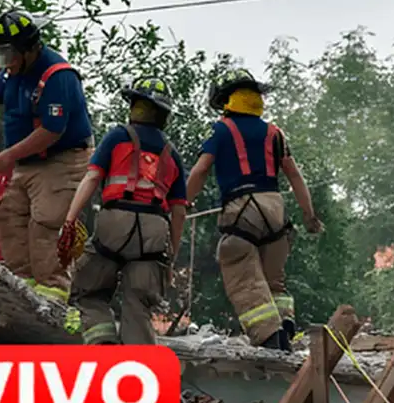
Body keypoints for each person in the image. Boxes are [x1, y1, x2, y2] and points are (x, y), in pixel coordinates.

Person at [0, 9, 93, 302]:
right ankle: (21, 289)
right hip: (26, 161)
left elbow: (52, 130)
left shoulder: (58, 76)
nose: (4, 62)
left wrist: (10, 154)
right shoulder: (14, 71)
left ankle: (53, 293)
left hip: (60, 160)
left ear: (29, 48)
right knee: (11, 220)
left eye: (7, 53)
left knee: (45, 223)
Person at [186, 68, 322, 351]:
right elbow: (295, 176)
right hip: (275, 209)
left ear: (227, 100)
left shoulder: (221, 130)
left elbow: (200, 171)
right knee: (274, 280)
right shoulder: (275, 133)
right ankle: (284, 324)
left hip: (241, 209)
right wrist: (309, 216)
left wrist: (181, 203)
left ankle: (269, 336)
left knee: (242, 273)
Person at [57, 76, 188, 345]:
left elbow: (92, 178)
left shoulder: (117, 137)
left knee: (89, 292)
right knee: (138, 304)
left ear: (134, 107)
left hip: (114, 224)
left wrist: (69, 220)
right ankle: (137, 370)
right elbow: (179, 212)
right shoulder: (172, 153)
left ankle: (103, 348)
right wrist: (171, 257)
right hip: (154, 231)